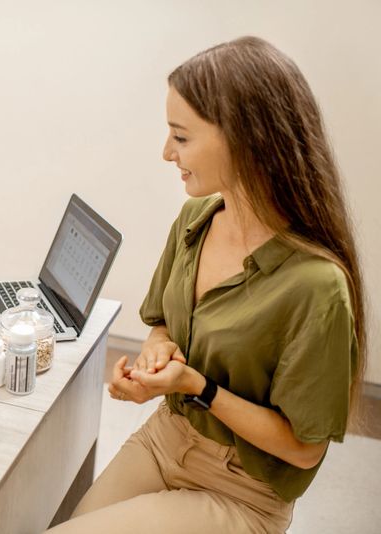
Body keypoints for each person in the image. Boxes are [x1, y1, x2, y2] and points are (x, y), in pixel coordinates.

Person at [48, 36, 364, 533]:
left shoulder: (316, 286)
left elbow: (303, 450)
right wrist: (157, 360)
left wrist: (198, 386)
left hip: (243, 490)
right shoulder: (197, 219)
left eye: (181, 136)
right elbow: (160, 327)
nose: (166, 152)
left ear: (246, 138)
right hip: (166, 436)